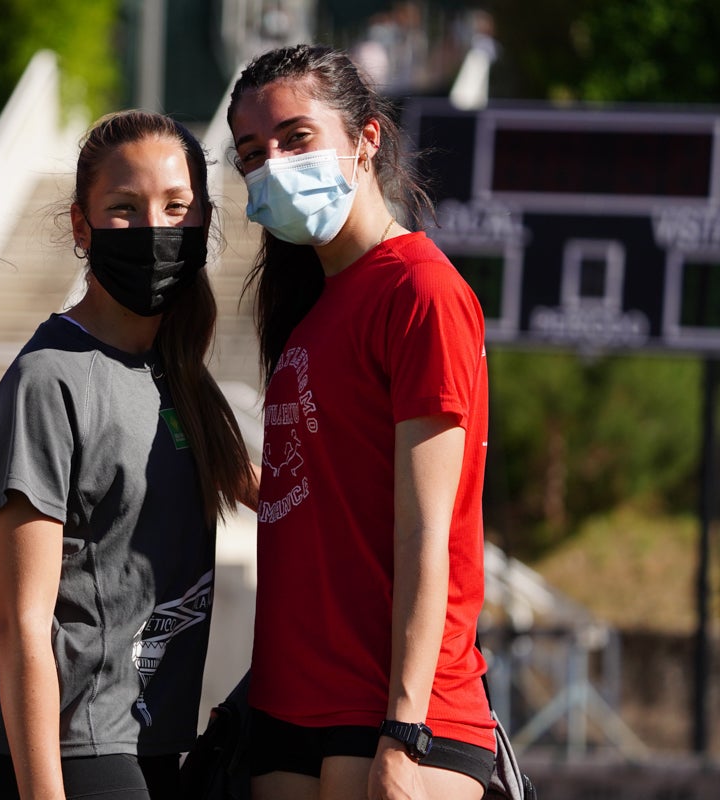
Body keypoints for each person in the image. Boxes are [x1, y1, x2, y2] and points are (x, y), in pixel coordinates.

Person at [226, 44, 496, 800]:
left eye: (295, 138)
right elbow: (328, 498)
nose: (271, 164)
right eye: (252, 152)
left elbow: (425, 532)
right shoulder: (311, 307)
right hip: (288, 703)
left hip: (390, 710)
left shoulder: (420, 292)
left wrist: (405, 733)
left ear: (366, 138)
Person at [0, 110, 257, 800]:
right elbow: (22, 625)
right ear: (79, 226)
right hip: (68, 745)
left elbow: (277, 501)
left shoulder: (176, 370)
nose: (154, 228)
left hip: (145, 733)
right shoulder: (49, 380)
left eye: (175, 207)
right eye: (124, 209)